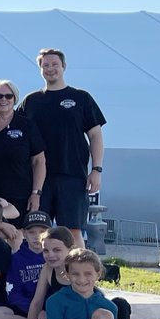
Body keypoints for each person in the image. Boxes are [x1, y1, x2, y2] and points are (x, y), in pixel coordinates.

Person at [19, 48, 106, 243]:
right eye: (46, 65)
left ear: (64, 67)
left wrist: (97, 169)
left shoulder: (81, 98)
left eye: (54, 64)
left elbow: (95, 135)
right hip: (39, 180)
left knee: (73, 232)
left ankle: (79, 272)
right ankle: (42, 273)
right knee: (38, 232)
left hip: (72, 176)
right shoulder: (31, 101)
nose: (50, 69)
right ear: (40, 69)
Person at [0, 79, 46, 218]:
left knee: (16, 237)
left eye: (8, 96)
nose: (3, 99)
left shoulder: (27, 126)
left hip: (20, 197)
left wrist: (36, 193)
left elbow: (39, 162)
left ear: (15, 98)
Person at [19, 226, 76, 319]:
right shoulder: (48, 268)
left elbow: (80, 313)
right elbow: (37, 302)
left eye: (57, 250)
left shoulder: (77, 271)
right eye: (46, 250)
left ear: (70, 250)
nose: (50, 255)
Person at [0, 211, 50, 319]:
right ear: (24, 233)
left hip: (50, 310)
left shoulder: (54, 256)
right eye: (31, 232)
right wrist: (36, 311)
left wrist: (46, 310)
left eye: (42, 232)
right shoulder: (16, 258)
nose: (37, 236)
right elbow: (14, 294)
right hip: (25, 309)